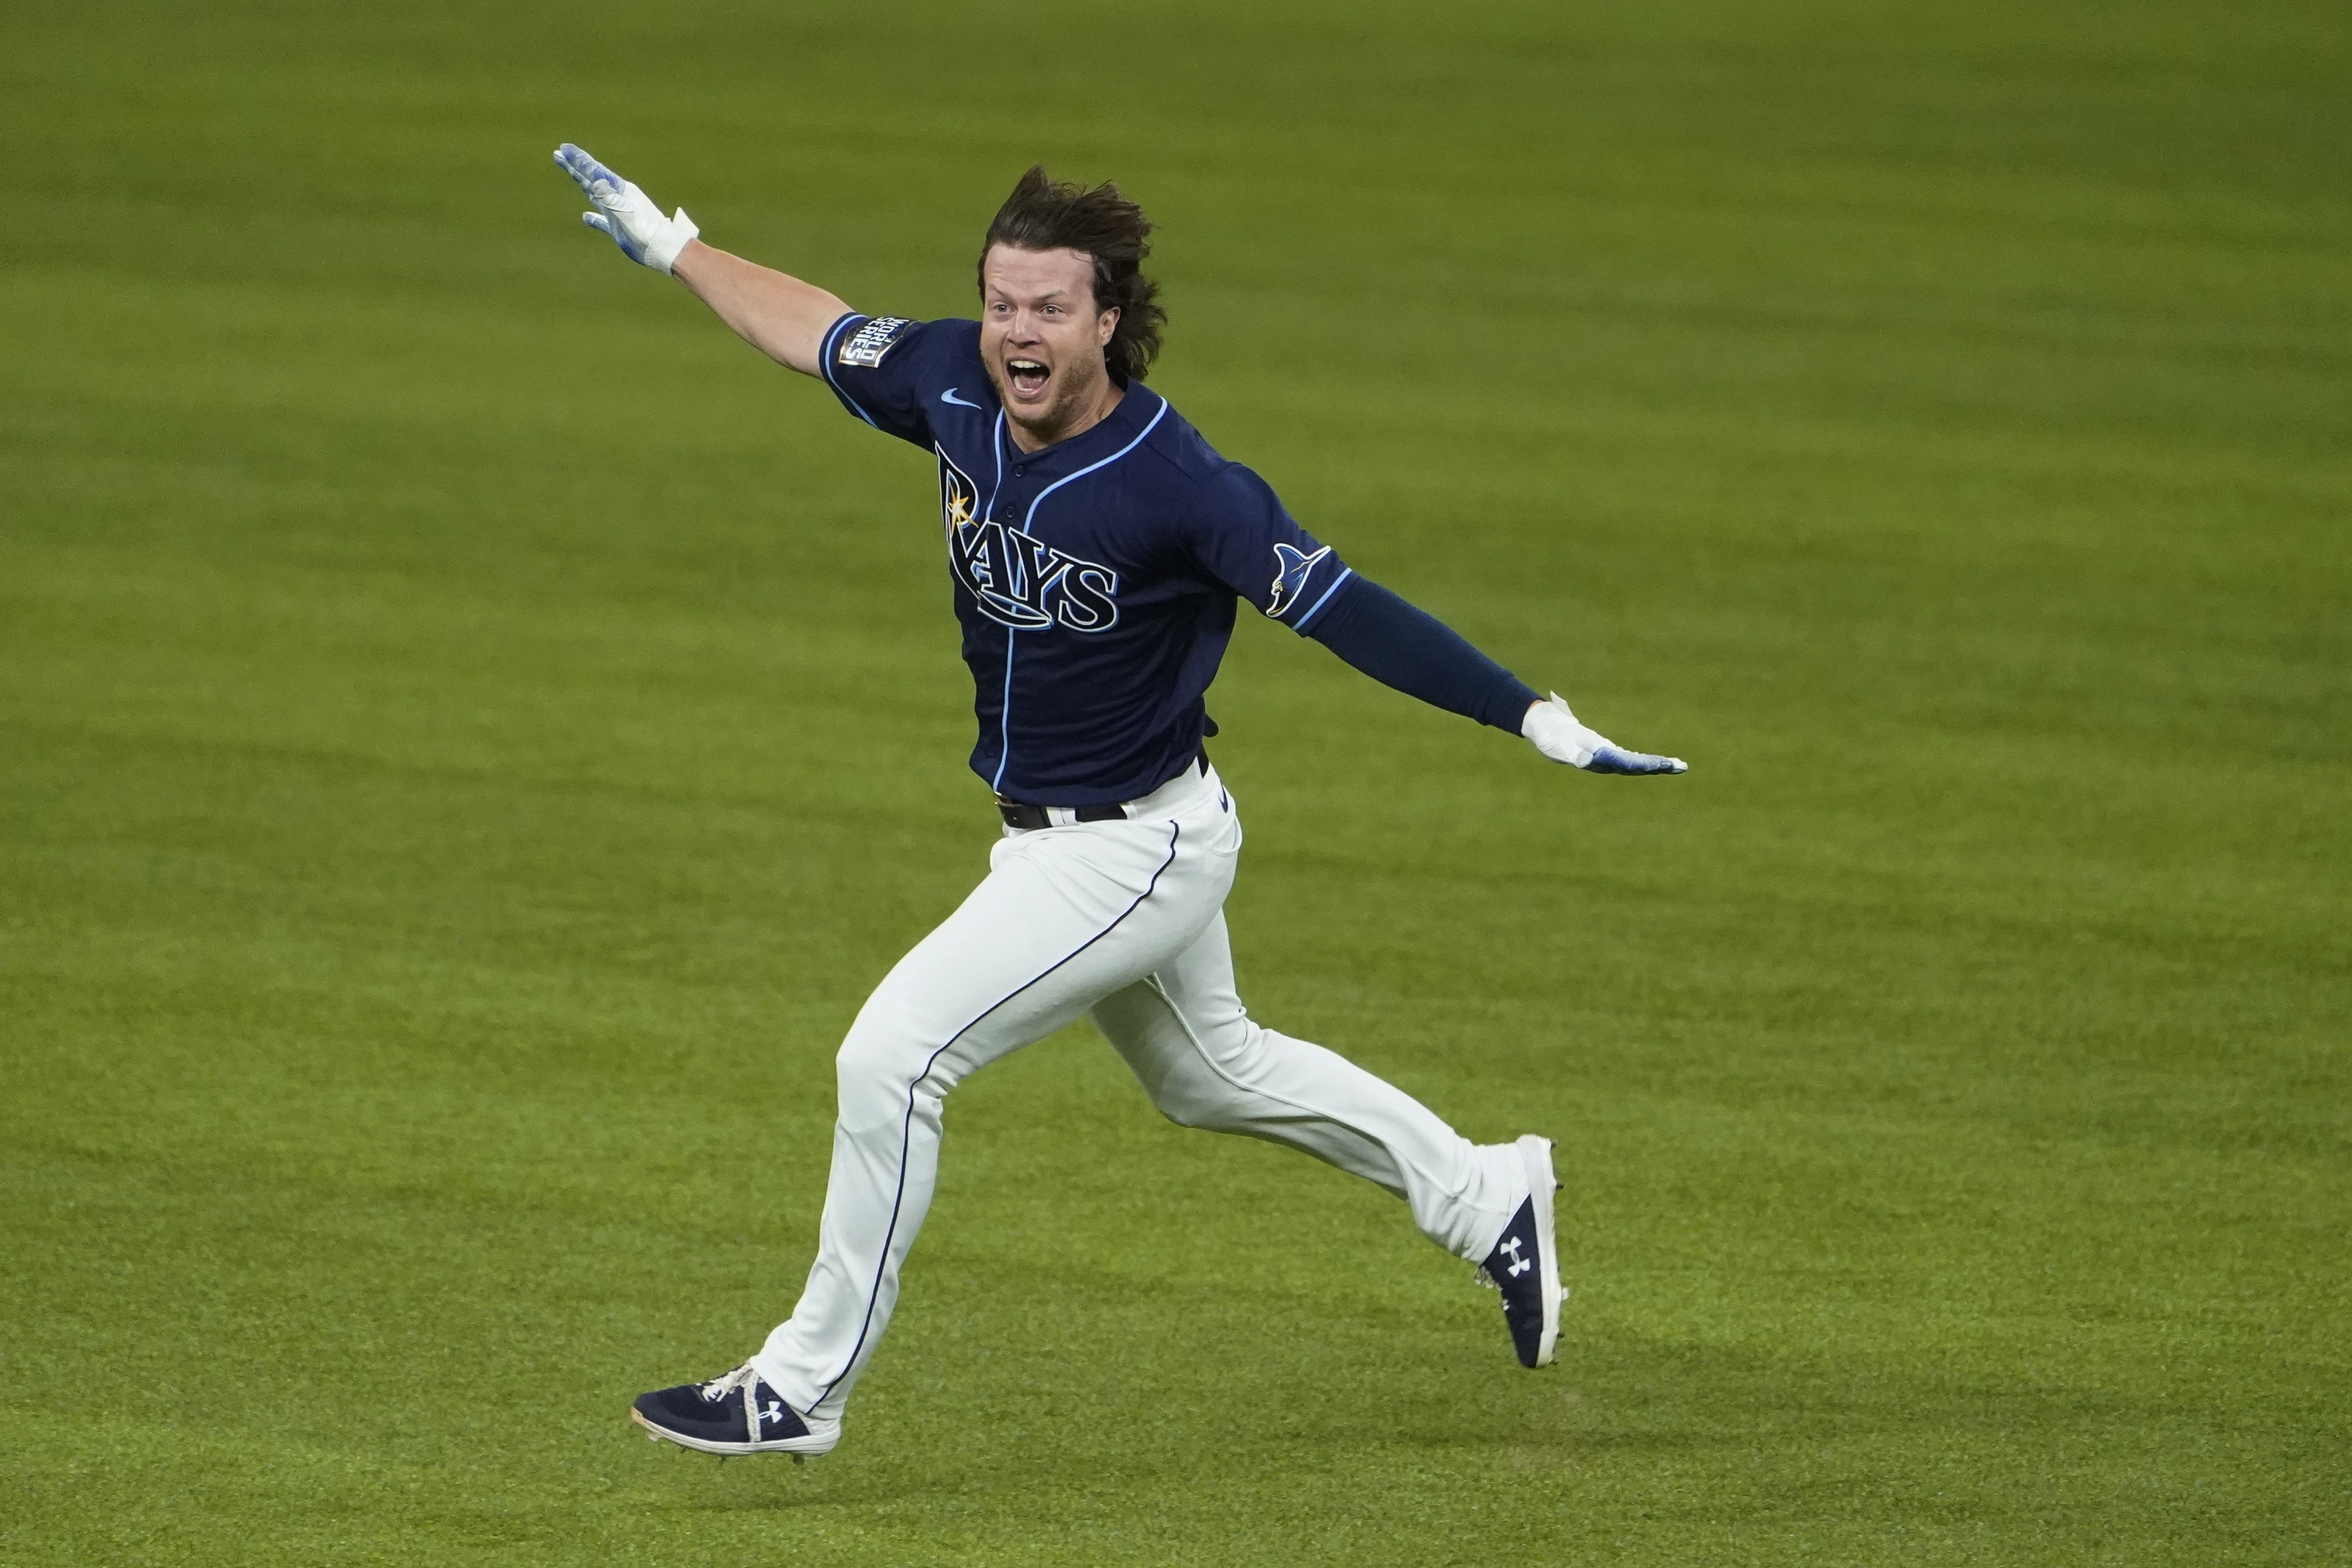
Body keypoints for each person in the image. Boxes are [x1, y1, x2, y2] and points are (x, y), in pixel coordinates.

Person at [551, 146, 1688, 1462]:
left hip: (1133, 852)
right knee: (1216, 1076)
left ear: (1107, 321)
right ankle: (1488, 1192)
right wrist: (678, 247)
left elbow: (1349, 611)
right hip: (1069, 836)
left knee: (893, 1059)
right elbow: (817, 331)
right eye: (1001, 301)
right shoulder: (952, 384)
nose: (1015, 332)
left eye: (1047, 309)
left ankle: (801, 1387)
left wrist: (1530, 713)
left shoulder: (1183, 486)